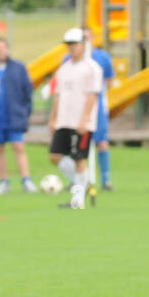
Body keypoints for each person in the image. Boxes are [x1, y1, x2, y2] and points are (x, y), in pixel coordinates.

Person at [47, 27, 103, 209]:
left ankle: (77, 200)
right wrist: (53, 118)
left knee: (79, 158)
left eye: (74, 44)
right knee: (55, 155)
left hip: (81, 122)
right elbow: (58, 95)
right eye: (68, 44)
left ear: (83, 45)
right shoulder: (64, 69)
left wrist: (84, 120)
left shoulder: (92, 68)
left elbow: (92, 96)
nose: (71, 48)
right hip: (64, 119)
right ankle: (83, 183)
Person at [0, 36, 37, 194]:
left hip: (14, 115)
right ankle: (3, 181)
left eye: (2, 47)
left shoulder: (18, 67)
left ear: (7, 49)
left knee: (18, 147)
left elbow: (27, 91)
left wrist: (25, 112)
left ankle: (26, 180)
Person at [85, 28, 116, 192]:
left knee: (101, 142)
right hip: (77, 109)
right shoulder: (68, 59)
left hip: (98, 108)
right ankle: (80, 180)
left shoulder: (102, 57)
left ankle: (105, 179)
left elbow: (109, 81)